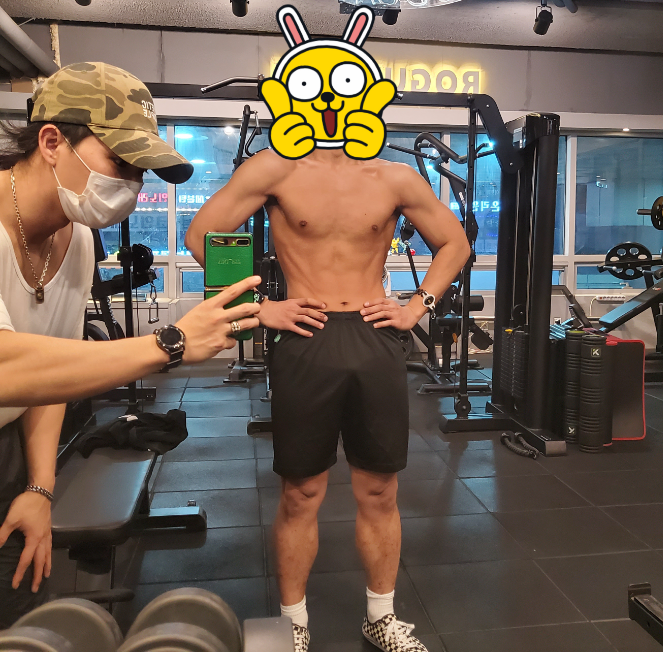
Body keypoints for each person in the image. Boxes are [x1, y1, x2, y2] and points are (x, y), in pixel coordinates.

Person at [0, 62, 262, 629]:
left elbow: (55, 374)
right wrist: (171, 341)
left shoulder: (76, 238)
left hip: (8, 456)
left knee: (16, 615)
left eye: (140, 171)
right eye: (121, 162)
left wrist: (39, 485)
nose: (132, 185)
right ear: (52, 142)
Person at [186, 141, 470, 652]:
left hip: (373, 334)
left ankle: (380, 618)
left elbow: (454, 243)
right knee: (301, 492)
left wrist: (417, 306)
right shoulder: (274, 168)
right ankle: (293, 623)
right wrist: (260, 307)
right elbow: (202, 234)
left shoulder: (396, 177)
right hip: (305, 334)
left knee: (380, 489)